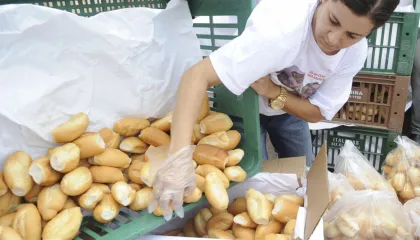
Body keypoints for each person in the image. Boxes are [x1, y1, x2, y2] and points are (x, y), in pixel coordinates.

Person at [147, 0, 400, 220]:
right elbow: (196, 76)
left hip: (290, 112)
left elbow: (319, 112)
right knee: (240, 186)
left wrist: (274, 93)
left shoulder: (354, 53)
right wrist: (178, 159)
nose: (334, 39)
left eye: (352, 35)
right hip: (241, 105)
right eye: (333, 21)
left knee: (308, 183)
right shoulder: (282, 28)